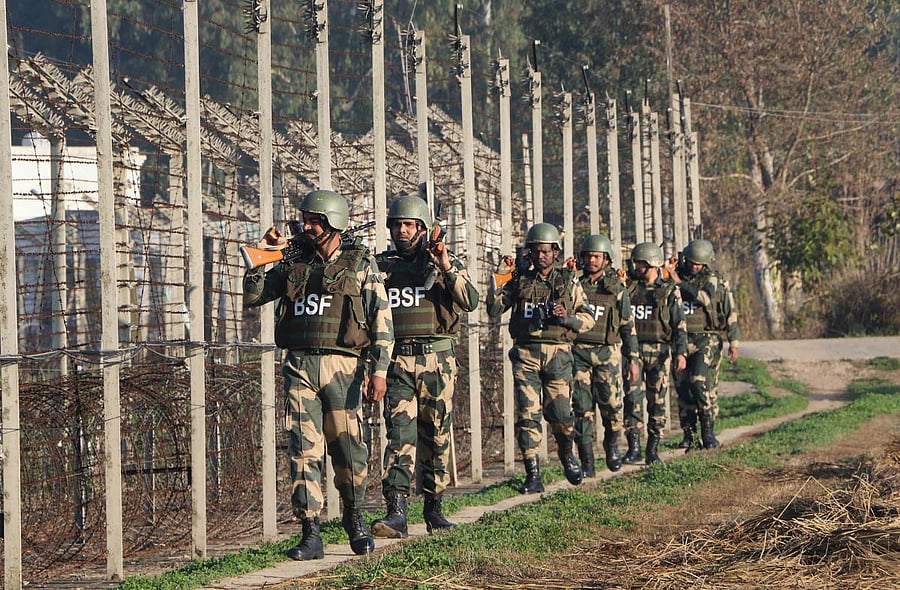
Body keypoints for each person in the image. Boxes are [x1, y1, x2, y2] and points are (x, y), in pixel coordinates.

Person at [242, 189, 393, 561]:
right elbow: (254, 295)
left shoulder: (360, 265)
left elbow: (381, 320)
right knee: (302, 447)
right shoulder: (295, 262)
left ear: (333, 223)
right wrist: (260, 258)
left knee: (346, 446)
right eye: (305, 220)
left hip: (344, 366)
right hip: (299, 364)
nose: (307, 226)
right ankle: (310, 531)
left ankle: (354, 519)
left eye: (315, 221)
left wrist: (380, 370)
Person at [370, 195, 479, 538]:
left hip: (436, 359)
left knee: (436, 433)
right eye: (397, 225)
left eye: (409, 225)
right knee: (399, 432)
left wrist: (445, 266)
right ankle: (396, 511)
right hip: (397, 359)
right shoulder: (380, 266)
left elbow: (471, 301)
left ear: (423, 228)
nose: (402, 231)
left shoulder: (444, 264)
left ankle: (434, 508)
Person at [487, 222, 595, 494]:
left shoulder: (569, 282)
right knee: (528, 413)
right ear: (530, 254)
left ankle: (567, 451)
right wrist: (500, 277)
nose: (542, 256)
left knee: (560, 413)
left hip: (558, 353)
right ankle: (532, 472)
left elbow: (589, 318)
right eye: (536, 251)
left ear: (556, 253)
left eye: (547, 251)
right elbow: (494, 308)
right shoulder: (520, 281)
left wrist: (566, 318)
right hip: (526, 353)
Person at [571, 234, 641, 476]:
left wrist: (633, 359)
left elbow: (627, 326)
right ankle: (587, 461)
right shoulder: (574, 285)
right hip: (578, 353)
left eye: (597, 256)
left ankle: (611, 445)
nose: (592, 260)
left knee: (612, 406)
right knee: (581, 409)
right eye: (588, 256)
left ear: (606, 260)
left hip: (607, 354)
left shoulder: (616, 288)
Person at [667, 239, 741, 450]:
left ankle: (708, 432)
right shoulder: (674, 275)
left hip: (706, 338)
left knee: (700, 382)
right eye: (691, 262)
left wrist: (733, 343)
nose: (694, 267)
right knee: (682, 389)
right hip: (681, 339)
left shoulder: (713, 280)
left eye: (699, 264)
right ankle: (688, 433)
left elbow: (722, 309)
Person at [622, 242, 687, 465]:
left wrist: (681, 353)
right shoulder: (630, 289)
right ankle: (634, 447)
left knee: (657, 400)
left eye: (639, 263)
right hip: (635, 351)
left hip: (660, 351)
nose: (635, 266)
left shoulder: (669, 290)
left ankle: (653, 447)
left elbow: (679, 325)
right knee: (632, 398)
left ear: (650, 264)